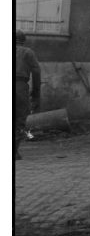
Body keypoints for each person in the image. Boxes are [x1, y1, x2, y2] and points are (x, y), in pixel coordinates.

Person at [15, 30, 41, 160]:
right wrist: (36, 92)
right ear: (23, 40)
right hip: (20, 87)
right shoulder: (27, 52)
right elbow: (36, 72)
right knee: (19, 119)